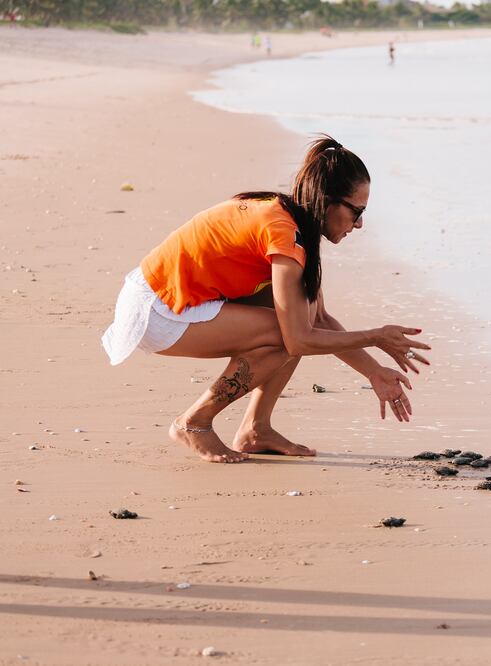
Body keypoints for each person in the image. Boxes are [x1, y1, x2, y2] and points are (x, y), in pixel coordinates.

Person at [101, 136, 431, 464]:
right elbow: (299, 339)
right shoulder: (286, 234)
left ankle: (255, 429)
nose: (359, 223)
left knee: (300, 318)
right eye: (356, 211)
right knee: (285, 335)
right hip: (157, 309)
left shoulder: (291, 219)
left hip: (171, 298)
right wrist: (376, 336)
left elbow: (320, 320)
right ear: (327, 201)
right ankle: (194, 423)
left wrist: (374, 372)